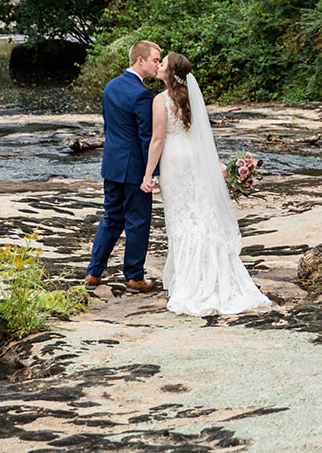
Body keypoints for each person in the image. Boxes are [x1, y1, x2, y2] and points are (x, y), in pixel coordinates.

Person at [141, 51, 271, 315]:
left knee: (181, 219)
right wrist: (220, 167)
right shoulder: (191, 98)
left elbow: (157, 140)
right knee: (200, 214)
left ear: (170, 72)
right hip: (196, 161)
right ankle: (215, 274)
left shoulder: (161, 100)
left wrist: (148, 174)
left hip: (175, 163)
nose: (158, 66)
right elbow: (204, 138)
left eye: (162, 63)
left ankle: (192, 282)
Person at [85, 40, 162, 292]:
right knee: (137, 221)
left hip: (112, 164)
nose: (157, 65)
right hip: (134, 168)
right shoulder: (142, 94)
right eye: (154, 60)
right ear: (140, 60)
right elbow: (145, 136)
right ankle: (134, 277)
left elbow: (110, 127)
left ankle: (93, 273)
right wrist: (152, 173)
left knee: (111, 218)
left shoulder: (111, 86)